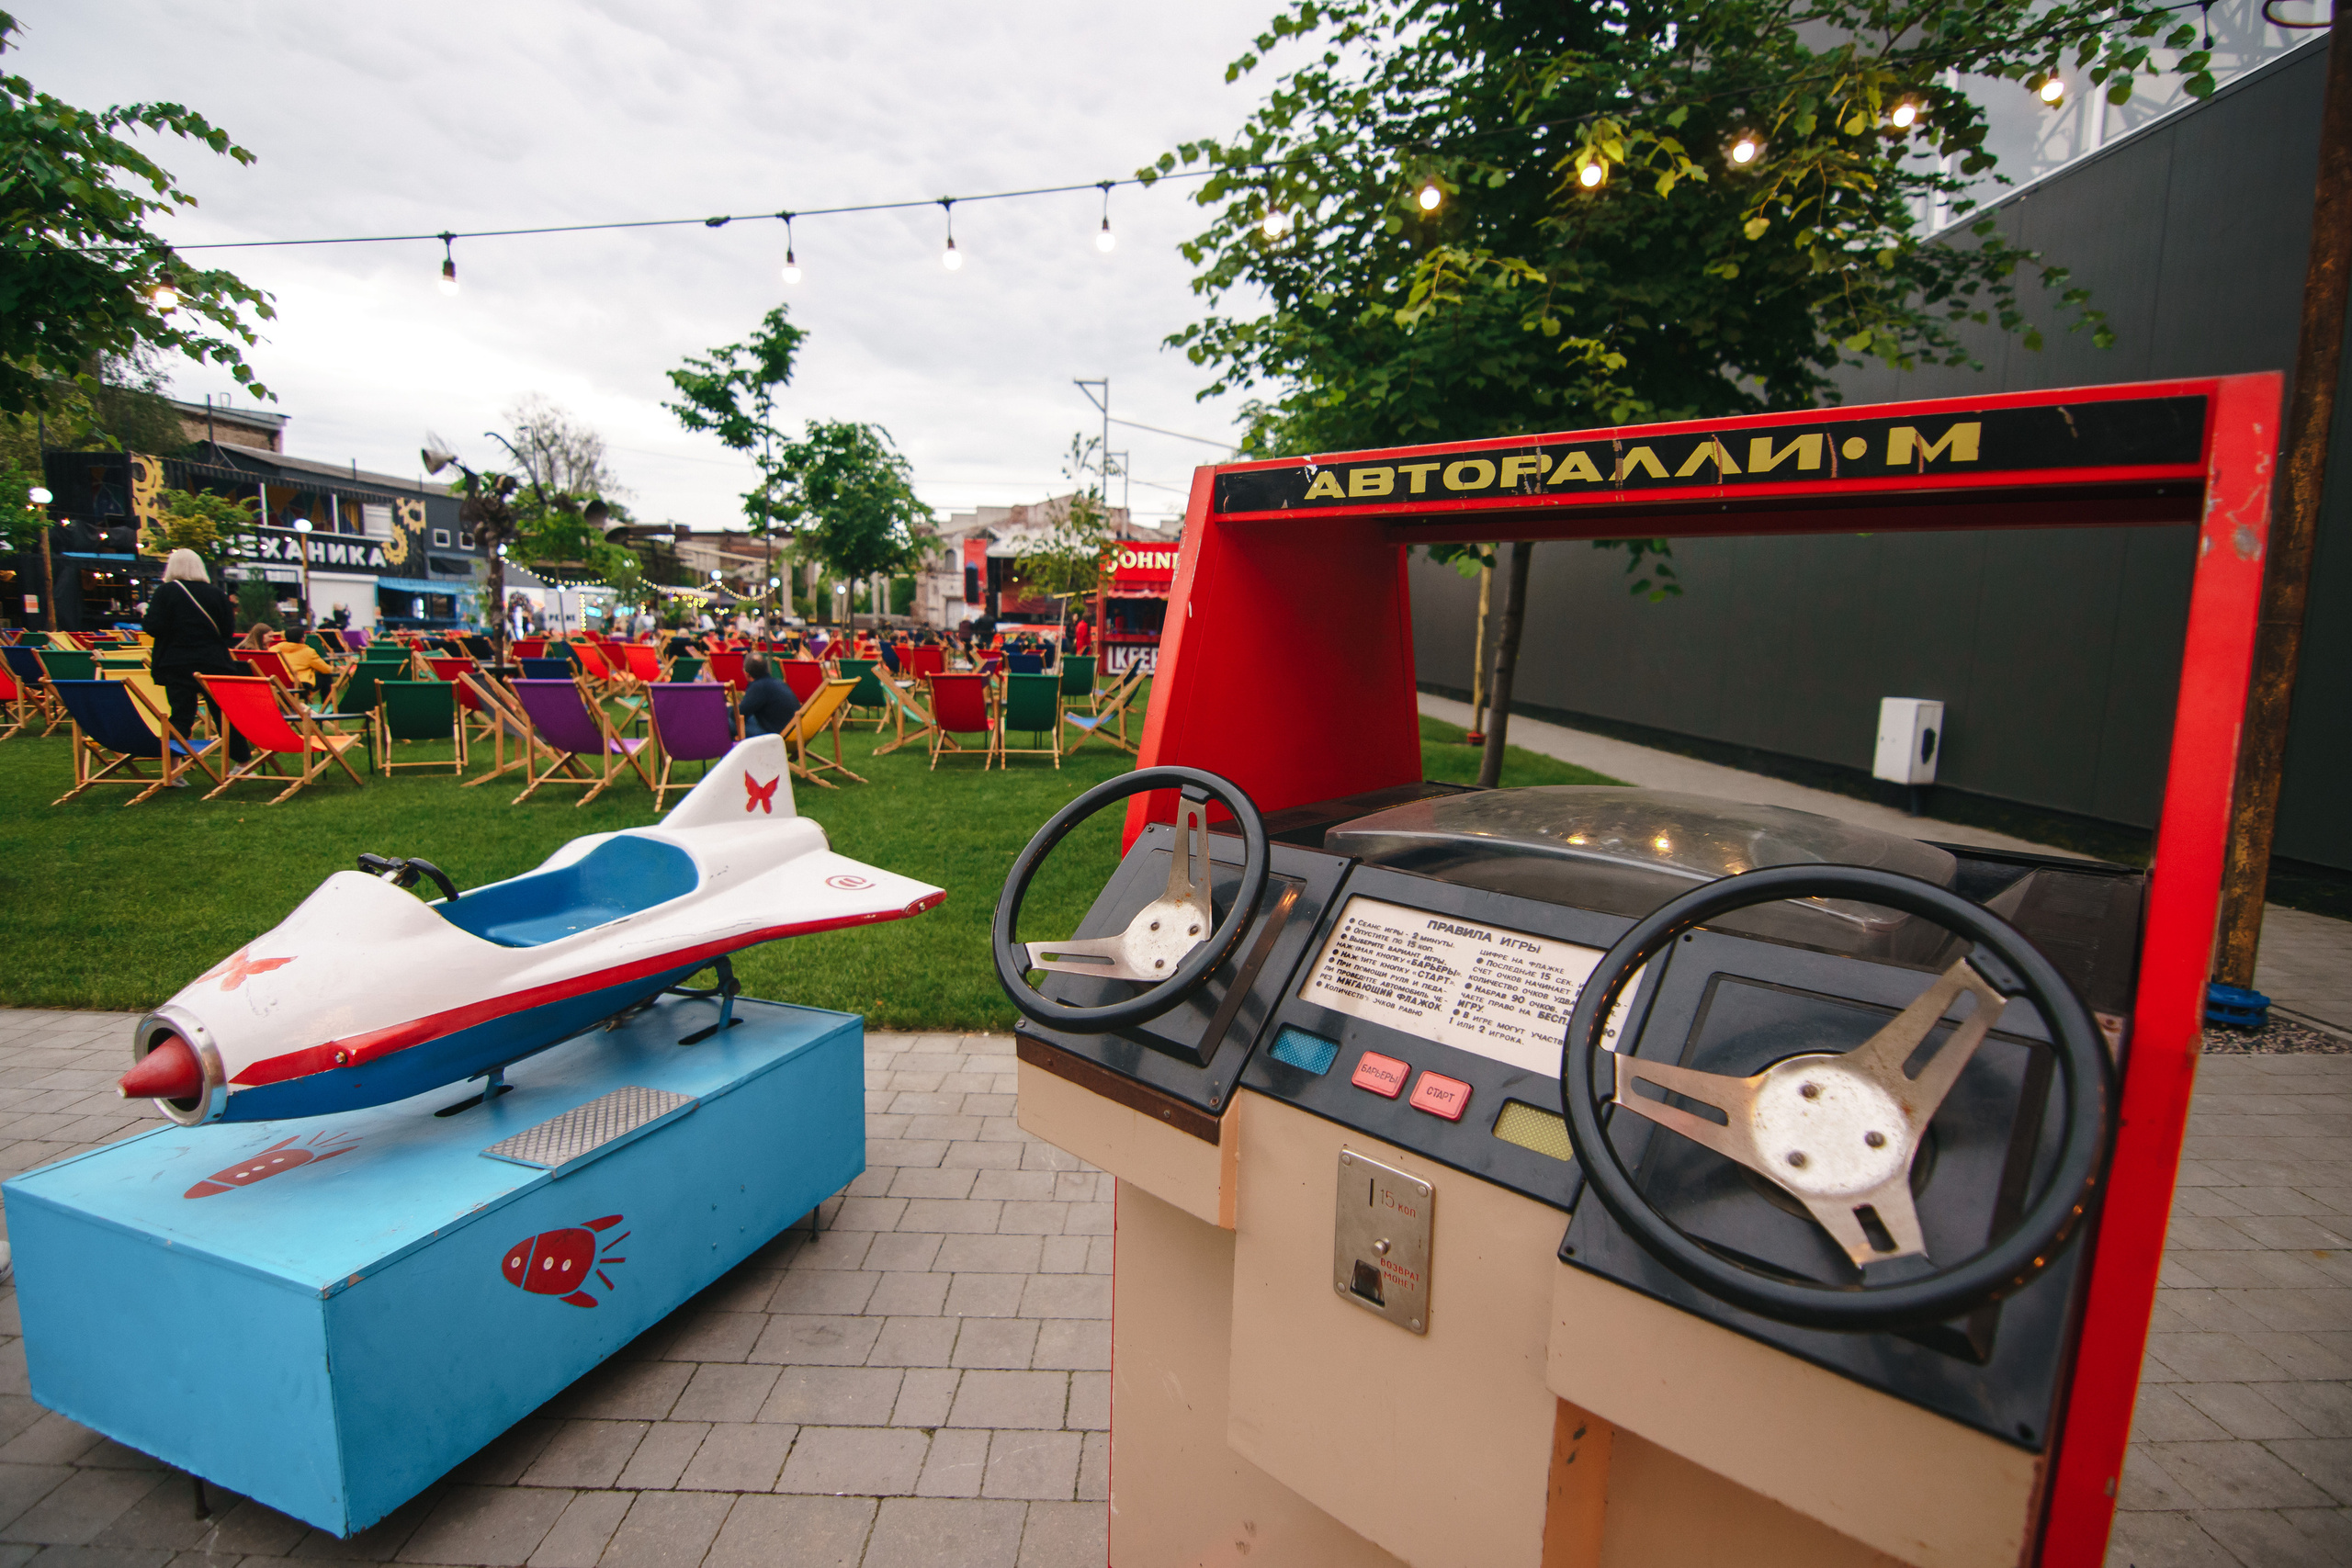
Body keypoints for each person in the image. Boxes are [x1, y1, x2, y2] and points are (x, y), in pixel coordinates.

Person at [142, 550, 248, 762]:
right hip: (214, 661)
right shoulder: (216, 593)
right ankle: (243, 762)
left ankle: (173, 768)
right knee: (224, 715)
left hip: (177, 662)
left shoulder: (166, 592)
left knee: (181, 715)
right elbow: (227, 632)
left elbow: (155, 627)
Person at [737, 654, 800, 739]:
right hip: (796, 731)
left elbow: (738, 715)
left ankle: (727, 750)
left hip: (776, 735)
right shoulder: (778, 682)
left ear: (747, 674)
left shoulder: (759, 687)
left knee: (726, 722)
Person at [271, 622, 336, 700]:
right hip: (298, 686)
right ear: (302, 639)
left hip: (277, 684)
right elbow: (326, 669)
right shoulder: (308, 652)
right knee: (326, 676)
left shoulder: (273, 650)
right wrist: (334, 669)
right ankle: (327, 705)